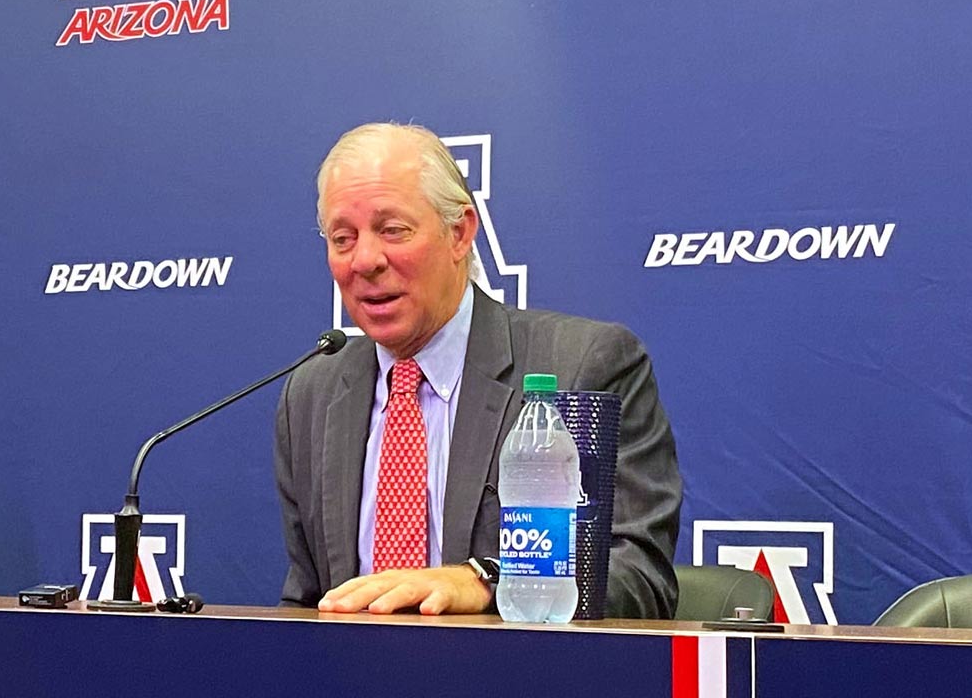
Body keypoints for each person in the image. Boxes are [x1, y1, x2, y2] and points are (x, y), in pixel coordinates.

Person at [275, 124, 680, 617]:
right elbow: (305, 601)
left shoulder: (584, 366)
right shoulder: (312, 393)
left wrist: (488, 581)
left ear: (459, 233)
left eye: (392, 230)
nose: (365, 260)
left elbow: (638, 577)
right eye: (343, 238)